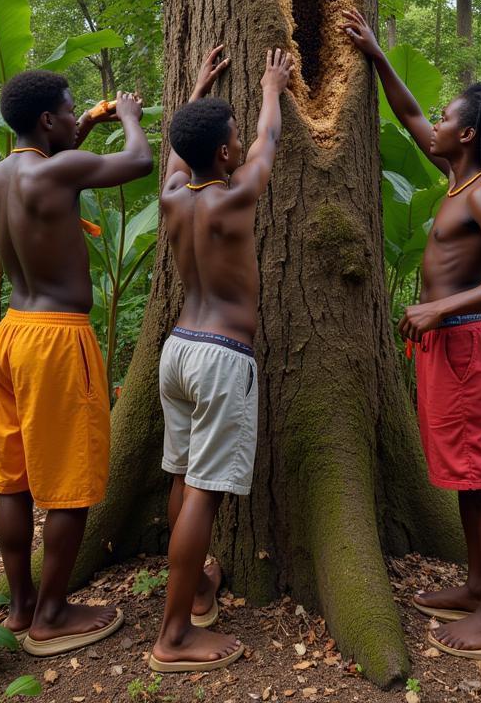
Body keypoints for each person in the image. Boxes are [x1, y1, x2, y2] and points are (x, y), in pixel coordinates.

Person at [342, 8, 481, 662]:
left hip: (466, 344)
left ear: (469, 132)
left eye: (446, 114)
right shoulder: (455, 176)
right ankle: (477, 586)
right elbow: (408, 117)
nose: (434, 119)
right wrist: (376, 56)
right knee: (467, 478)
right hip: (446, 346)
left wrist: (441, 307)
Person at [0, 70, 153, 658]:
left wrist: (82, 131)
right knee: (69, 484)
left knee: (15, 479)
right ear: (48, 121)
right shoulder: (57, 172)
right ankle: (53, 615)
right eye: (71, 111)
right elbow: (139, 163)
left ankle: (21, 603)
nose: (80, 115)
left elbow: (54, 186)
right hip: (56, 341)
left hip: (10, 335)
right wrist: (127, 116)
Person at [149, 45, 294, 674]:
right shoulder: (236, 199)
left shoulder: (174, 197)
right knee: (205, 493)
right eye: (229, 138)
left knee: (183, 477)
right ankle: (173, 634)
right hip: (222, 358)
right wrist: (270, 87)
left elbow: (181, 151)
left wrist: (198, 88)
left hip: (178, 351)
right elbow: (268, 138)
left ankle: (198, 591)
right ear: (227, 153)